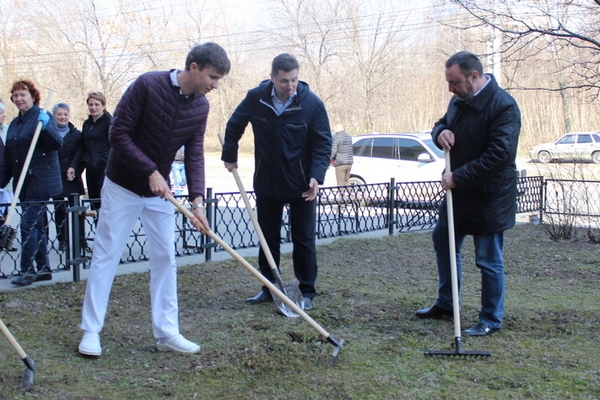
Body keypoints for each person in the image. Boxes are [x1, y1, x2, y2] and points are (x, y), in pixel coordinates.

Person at [78, 42, 231, 357]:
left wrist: (197, 203)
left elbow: (195, 154)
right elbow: (118, 134)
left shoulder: (200, 107)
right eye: (213, 77)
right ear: (194, 68)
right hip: (121, 185)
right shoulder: (147, 85)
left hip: (160, 194)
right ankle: (91, 331)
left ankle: (167, 332)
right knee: (106, 254)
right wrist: (150, 171)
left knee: (165, 258)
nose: (215, 85)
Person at [415, 51, 521, 336]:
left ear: (474, 76)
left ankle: (490, 319)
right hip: (458, 195)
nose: (450, 88)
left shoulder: (504, 106)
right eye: (449, 82)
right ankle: (447, 303)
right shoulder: (459, 100)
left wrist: (457, 177)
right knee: (444, 241)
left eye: (455, 82)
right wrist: (440, 132)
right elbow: (442, 122)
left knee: (488, 259)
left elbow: (499, 155)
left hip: (489, 197)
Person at [221, 53, 332, 311]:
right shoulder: (256, 98)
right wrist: (229, 155)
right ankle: (269, 287)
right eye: (284, 81)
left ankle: (307, 291)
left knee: (304, 240)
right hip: (267, 180)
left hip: (302, 185)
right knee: (267, 238)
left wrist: (316, 176)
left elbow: (323, 142)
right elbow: (235, 124)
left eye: (294, 80)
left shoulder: (312, 104)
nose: (290, 86)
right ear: (272, 77)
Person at [0, 80, 63, 286]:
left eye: (23, 95)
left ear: (33, 97)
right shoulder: (15, 124)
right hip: (23, 182)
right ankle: (44, 269)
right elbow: (8, 159)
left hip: (41, 180)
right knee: (37, 226)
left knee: (27, 224)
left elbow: (57, 143)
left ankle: (27, 271)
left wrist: (45, 128)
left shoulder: (43, 117)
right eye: (15, 95)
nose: (19, 99)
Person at [69, 91, 111, 218]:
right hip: (90, 168)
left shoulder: (110, 122)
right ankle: (98, 229)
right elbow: (83, 146)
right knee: (95, 206)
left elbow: (116, 145)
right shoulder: (87, 124)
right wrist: (73, 165)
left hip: (105, 169)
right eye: (91, 104)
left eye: (97, 104)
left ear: (103, 105)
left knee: (106, 206)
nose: (93, 107)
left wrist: (103, 159)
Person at [52, 103, 86, 252]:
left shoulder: (77, 134)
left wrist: (74, 168)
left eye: (65, 114)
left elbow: (82, 153)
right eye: (59, 114)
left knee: (78, 210)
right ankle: (62, 239)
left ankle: (81, 239)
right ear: (54, 116)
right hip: (56, 176)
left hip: (73, 176)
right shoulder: (49, 133)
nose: (62, 117)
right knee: (60, 210)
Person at [0, 101, 13, 219]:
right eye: (0, 113)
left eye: (4, 112)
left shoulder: (8, 130)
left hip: (7, 182)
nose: (4, 115)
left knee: (6, 216)